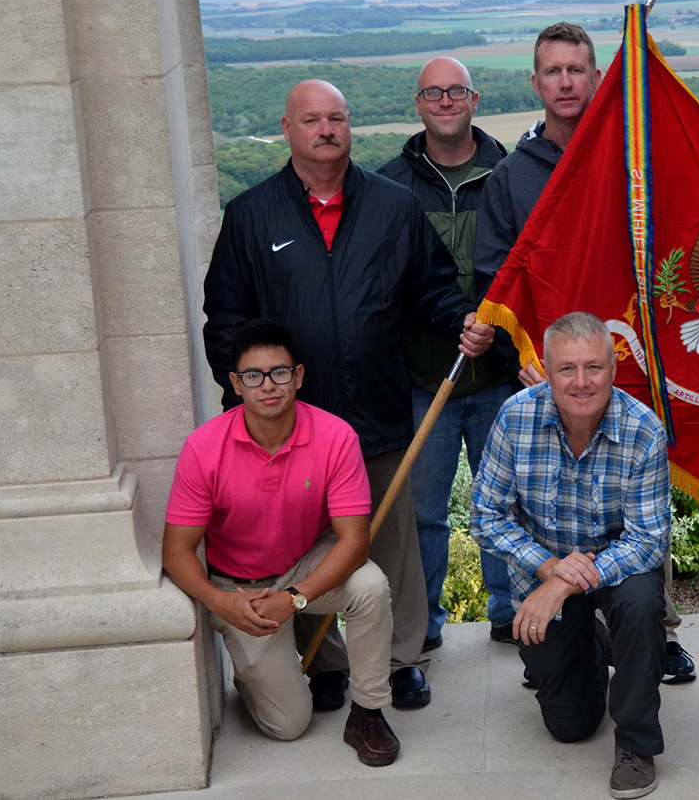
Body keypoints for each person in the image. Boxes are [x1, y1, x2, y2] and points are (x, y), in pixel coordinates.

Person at [203, 79, 495, 714]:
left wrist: (461, 321)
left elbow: (434, 289)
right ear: (288, 129)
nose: (326, 130)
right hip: (289, 430)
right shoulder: (251, 215)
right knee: (303, 548)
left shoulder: (392, 206)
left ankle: (399, 660)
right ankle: (327, 664)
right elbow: (224, 318)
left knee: (391, 541)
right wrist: (246, 406)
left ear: (349, 126)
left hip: (378, 412)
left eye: (337, 118)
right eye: (312, 120)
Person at [476, 22, 696, 685]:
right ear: (536, 83)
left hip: (627, 358)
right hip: (551, 372)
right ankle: (545, 631)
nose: (567, 82)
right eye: (554, 71)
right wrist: (520, 352)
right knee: (546, 503)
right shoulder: (511, 177)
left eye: (578, 69)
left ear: (598, 78)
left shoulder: (629, 156)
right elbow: (497, 279)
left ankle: (655, 632)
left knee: (639, 506)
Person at [162, 319, 401, 767]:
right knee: (289, 726)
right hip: (239, 588)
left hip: (304, 566)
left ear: (299, 376)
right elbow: (176, 551)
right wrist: (221, 602)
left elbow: (354, 543)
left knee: (370, 585)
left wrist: (294, 598)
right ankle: (253, 677)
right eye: (253, 375)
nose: (268, 385)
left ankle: (368, 712)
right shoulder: (203, 448)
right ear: (236, 383)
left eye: (280, 372)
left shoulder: (334, 436)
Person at [471, 312, 670, 799]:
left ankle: (637, 744)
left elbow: (648, 539)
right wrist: (547, 568)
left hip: (619, 569)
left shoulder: (644, 428)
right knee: (571, 725)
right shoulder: (515, 417)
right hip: (545, 566)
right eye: (566, 369)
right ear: (549, 369)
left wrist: (561, 583)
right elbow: (485, 517)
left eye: (594, 367)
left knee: (642, 604)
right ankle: (593, 639)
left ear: (614, 369)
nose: (581, 382)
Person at [378, 57, 517, 649]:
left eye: (455, 90)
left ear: (474, 99)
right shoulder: (387, 186)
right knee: (424, 515)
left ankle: (511, 614)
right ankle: (422, 626)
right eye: (432, 92)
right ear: (418, 103)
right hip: (422, 377)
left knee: (504, 506)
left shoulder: (508, 174)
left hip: (497, 378)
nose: (444, 100)